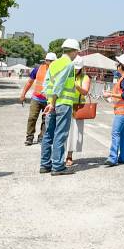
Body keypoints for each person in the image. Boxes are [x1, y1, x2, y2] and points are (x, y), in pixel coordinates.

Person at [39, 38, 80, 176]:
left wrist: (49, 101)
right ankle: (57, 166)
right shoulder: (68, 65)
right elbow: (59, 85)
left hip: (52, 103)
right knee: (60, 135)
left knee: (48, 134)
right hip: (62, 104)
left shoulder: (53, 64)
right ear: (73, 51)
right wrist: (53, 103)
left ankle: (45, 165)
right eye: (77, 52)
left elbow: (45, 85)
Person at [104, 53, 124, 166]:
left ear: (121, 66)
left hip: (123, 111)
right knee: (122, 134)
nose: (116, 66)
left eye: (118, 64)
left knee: (115, 133)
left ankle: (113, 158)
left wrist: (110, 94)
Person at [19, 52, 56, 146]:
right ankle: (29, 137)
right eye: (49, 61)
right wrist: (23, 94)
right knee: (32, 118)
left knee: (46, 120)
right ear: (45, 61)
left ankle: (42, 137)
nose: (50, 63)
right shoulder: (38, 69)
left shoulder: (57, 71)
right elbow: (29, 82)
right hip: (36, 98)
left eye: (52, 61)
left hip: (49, 100)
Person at [64, 57, 91, 167]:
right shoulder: (67, 75)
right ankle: (60, 155)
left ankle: (69, 156)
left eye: (77, 69)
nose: (75, 70)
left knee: (73, 133)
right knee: (62, 131)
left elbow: (85, 92)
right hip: (65, 105)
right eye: (74, 68)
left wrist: (77, 86)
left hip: (77, 108)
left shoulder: (85, 77)